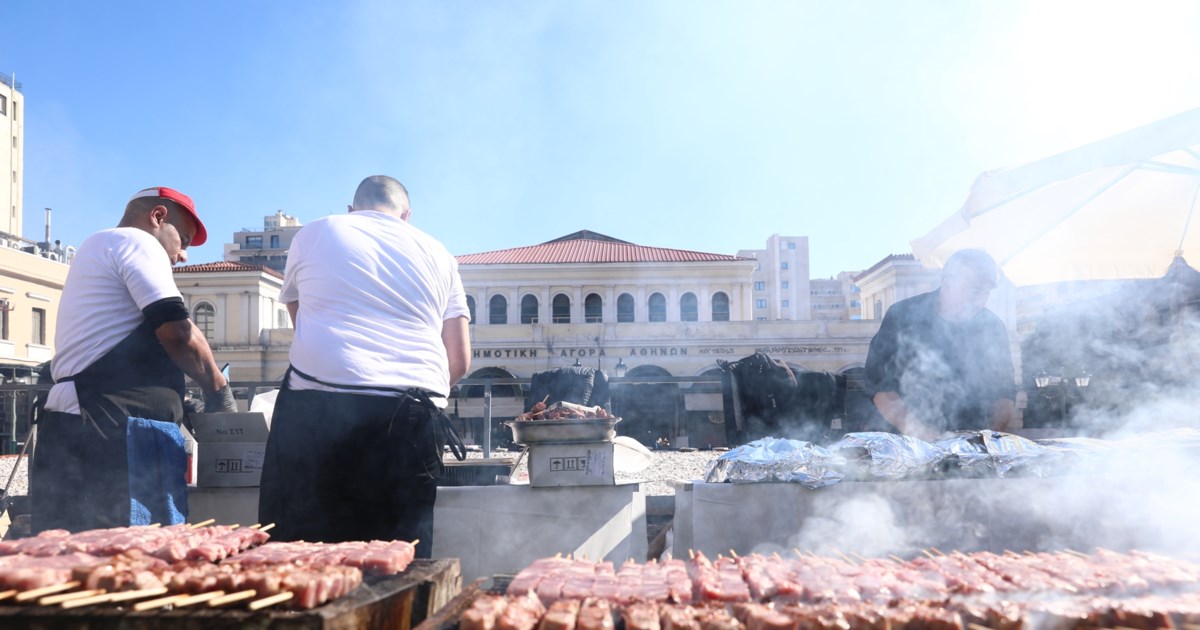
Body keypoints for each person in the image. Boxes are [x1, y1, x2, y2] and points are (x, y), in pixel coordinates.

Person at [258, 175, 470, 557]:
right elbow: (460, 359)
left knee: (299, 555)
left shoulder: (315, 232)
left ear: (352, 210)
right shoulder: (440, 253)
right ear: (406, 215)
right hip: (413, 416)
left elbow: (301, 318)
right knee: (399, 559)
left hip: (318, 411)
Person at [33, 186, 237, 533]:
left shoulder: (97, 246)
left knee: (74, 557)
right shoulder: (136, 241)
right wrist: (219, 391)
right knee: (128, 558)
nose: (183, 255)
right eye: (183, 240)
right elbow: (178, 333)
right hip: (109, 430)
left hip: (78, 425)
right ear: (158, 217)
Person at [863, 249, 1016, 441]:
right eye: (975, 290)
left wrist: (992, 438)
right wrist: (930, 438)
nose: (980, 300)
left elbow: (1004, 393)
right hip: (907, 446)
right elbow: (880, 389)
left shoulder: (992, 327)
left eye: (987, 291)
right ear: (948, 281)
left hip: (969, 448)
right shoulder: (902, 315)